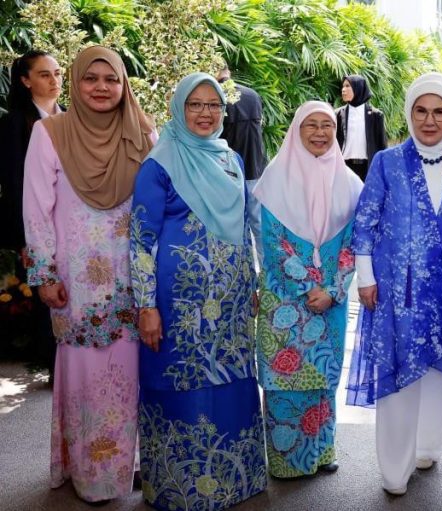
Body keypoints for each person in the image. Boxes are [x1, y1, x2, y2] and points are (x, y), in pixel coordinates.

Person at [23, 45, 154, 504]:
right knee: (84, 375)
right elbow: (37, 210)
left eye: (111, 79)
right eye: (90, 79)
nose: (102, 88)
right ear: (75, 82)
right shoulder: (50, 133)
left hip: (129, 280)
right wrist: (43, 274)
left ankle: (125, 466)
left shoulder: (143, 132)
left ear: (123, 84)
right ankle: (88, 471)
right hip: (75, 284)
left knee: (128, 374)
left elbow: (156, 209)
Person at [130, 72, 267, 509]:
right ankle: (182, 487)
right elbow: (140, 240)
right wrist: (146, 306)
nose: (205, 113)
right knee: (182, 380)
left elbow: (244, 225)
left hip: (229, 299)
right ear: (179, 109)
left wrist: (252, 280)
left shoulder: (230, 159)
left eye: (213, 105)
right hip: (179, 301)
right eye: (195, 104)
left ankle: (235, 480)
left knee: (230, 380)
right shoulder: (159, 163)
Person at [346, 73, 442, 496]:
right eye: (421, 111)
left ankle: (428, 446)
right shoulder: (387, 162)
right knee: (400, 377)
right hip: (397, 292)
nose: (430, 120)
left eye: (439, 111)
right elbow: (364, 224)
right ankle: (393, 469)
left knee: (439, 374)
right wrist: (365, 279)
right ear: (409, 114)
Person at [252, 101, 362, 479]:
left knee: (322, 380)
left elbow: (354, 244)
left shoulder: (350, 183)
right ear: (296, 131)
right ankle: (286, 461)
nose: (319, 132)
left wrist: (332, 289)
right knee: (285, 382)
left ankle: (321, 452)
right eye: (310, 125)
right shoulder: (275, 179)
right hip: (284, 300)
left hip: (329, 302)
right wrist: (306, 288)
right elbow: (273, 242)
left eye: (327, 125)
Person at [0, 50, 64, 375]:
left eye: (57, 73)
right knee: (44, 293)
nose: (54, 81)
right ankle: (53, 365)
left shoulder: (73, 118)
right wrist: (24, 240)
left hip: (72, 225)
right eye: (44, 74)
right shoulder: (13, 124)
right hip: (34, 226)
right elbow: (12, 185)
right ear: (25, 81)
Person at [217, 65, 267, 183]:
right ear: (228, 71)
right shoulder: (253, 95)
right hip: (257, 167)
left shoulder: (214, 97)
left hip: (229, 171)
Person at [335, 74, 387, 181]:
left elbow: (382, 145)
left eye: (348, 86)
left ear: (358, 88)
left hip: (368, 168)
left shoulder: (376, 115)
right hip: (343, 167)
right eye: (343, 86)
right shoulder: (338, 114)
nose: (343, 90)